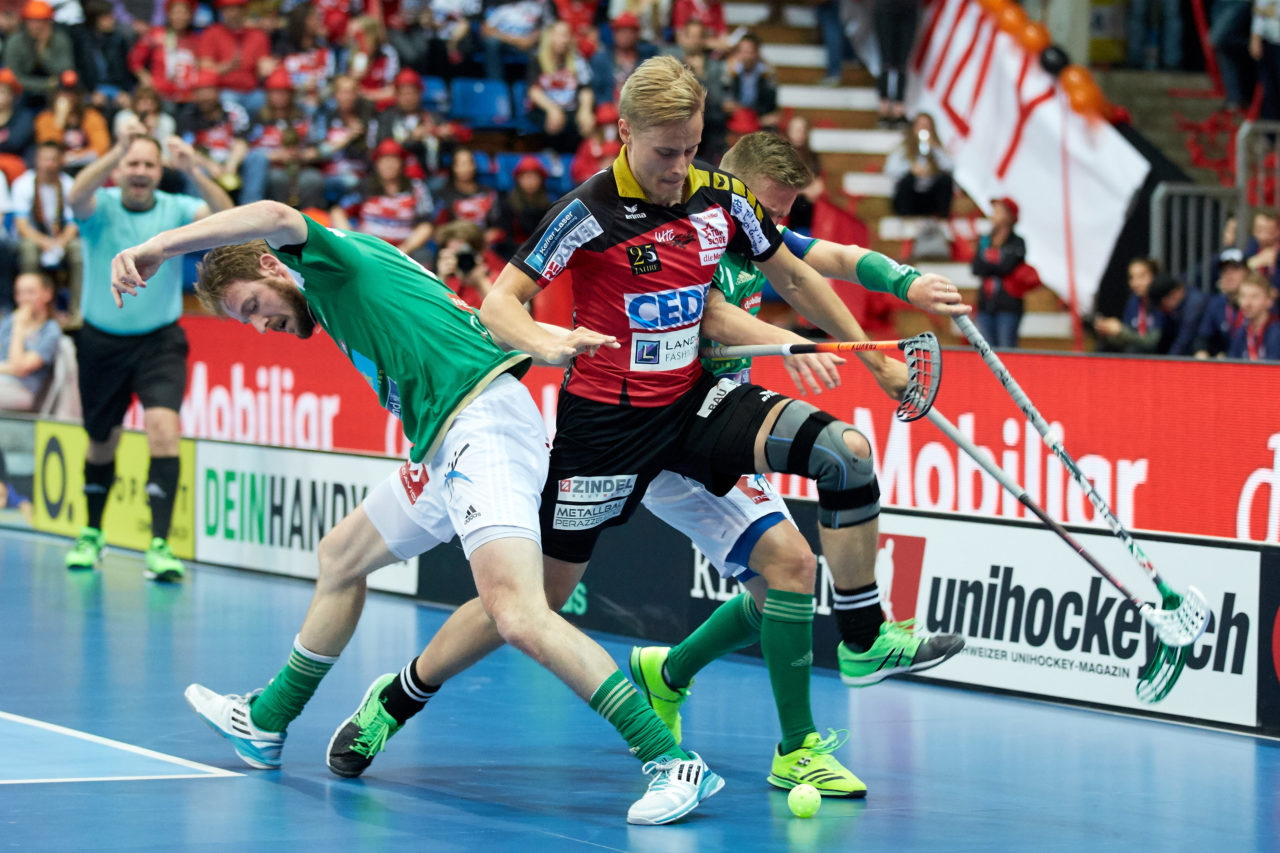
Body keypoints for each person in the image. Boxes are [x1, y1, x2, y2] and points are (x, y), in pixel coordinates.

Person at [320, 56, 944, 802]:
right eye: (666, 152)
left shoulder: (722, 195)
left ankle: (863, 636)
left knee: (845, 454)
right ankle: (399, 695)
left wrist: (867, 353)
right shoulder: (587, 209)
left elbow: (797, 274)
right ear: (623, 133)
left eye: (692, 147)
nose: (681, 169)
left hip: (689, 406)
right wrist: (546, 341)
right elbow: (499, 304)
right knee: (531, 603)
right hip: (604, 429)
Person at [110, 198, 725, 827]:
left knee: (519, 612)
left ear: (273, 266)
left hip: (480, 426)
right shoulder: (337, 280)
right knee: (341, 557)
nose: (259, 324)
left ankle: (669, 760)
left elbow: (271, 210)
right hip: (443, 439)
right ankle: (268, 721)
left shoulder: (329, 264)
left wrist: (159, 248)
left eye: (252, 308)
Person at [627, 130, 968, 765]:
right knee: (795, 561)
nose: (776, 225)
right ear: (731, 185)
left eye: (785, 213)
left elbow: (831, 261)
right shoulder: (684, 231)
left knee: (774, 591)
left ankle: (667, 674)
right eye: (770, 208)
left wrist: (907, 282)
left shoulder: (752, 227)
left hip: (721, 424)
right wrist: (794, 344)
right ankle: (800, 745)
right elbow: (717, 319)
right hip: (670, 436)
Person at [63, 118, 233, 579]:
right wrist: (115, 151)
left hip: (160, 340)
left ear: (160, 171)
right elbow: (75, 194)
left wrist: (195, 168)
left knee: (163, 430)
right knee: (102, 441)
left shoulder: (178, 208)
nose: (139, 171)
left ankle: (160, 546)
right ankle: (92, 533)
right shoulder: (102, 207)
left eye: (148, 164)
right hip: (101, 343)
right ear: (120, 168)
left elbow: (228, 217)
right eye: (132, 163)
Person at [12, 140, 81, 324]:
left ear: (61, 161)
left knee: (79, 251)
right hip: (34, 238)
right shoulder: (24, 183)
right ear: (36, 160)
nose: (49, 164)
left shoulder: (69, 185)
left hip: (61, 239)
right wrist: (46, 243)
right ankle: (29, 312)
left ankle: (77, 313)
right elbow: (22, 225)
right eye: (44, 159)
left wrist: (60, 243)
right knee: (28, 250)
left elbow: (74, 224)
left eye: (53, 159)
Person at [524, 19, 595, 154]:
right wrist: (552, 109)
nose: (564, 39)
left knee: (587, 122)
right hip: (544, 109)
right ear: (549, 36)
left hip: (570, 109)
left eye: (567, 35)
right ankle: (550, 155)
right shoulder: (537, 59)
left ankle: (578, 161)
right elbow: (534, 91)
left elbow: (586, 89)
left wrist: (586, 111)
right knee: (555, 119)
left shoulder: (577, 60)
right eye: (560, 35)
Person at [972, 197, 1032, 349]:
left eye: (999, 211)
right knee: (987, 350)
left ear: (1010, 216)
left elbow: (1007, 267)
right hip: (986, 304)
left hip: (1008, 305)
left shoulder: (1017, 242)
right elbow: (976, 268)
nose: (994, 215)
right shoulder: (985, 240)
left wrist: (988, 265)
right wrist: (995, 266)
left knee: (1007, 349)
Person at [0, 271, 61, 411]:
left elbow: (19, 367)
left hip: (22, 390)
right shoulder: (9, 322)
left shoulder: (50, 330)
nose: (24, 299)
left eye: (30, 292)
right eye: (19, 293)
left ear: (47, 294)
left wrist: (19, 327)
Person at [3, 0, 76, 111]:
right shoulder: (16, 41)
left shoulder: (60, 40)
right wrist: (46, 84)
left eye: (42, 21)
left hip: (54, 93)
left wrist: (44, 52)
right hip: (23, 94)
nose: (37, 26)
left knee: (69, 90)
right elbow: (13, 77)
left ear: (49, 22)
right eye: (32, 21)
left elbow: (66, 72)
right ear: (25, 22)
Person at [1093, 257, 1162, 353]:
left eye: (1141, 276)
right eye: (1131, 278)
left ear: (1154, 276)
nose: (1135, 283)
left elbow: (1152, 342)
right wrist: (1109, 332)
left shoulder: (1161, 302)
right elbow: (1127, 341)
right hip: (1133, 360)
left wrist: (1121, 330)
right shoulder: (1133, 301)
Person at [1193, 247, 1248, 359]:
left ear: (1247, 272)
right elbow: (1203, 337)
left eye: (1235, 269)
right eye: (1224, 271)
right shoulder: (1217, 303)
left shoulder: (1256, 302)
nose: (1229, 275)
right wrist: (1201, 351)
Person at [1226, 273, 1280, 360]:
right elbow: (1232, 365)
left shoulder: (1276, 332)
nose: (1247, 303)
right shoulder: (1241, 332)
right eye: (1243, 296)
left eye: (1254, 297)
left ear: (1269, 301)